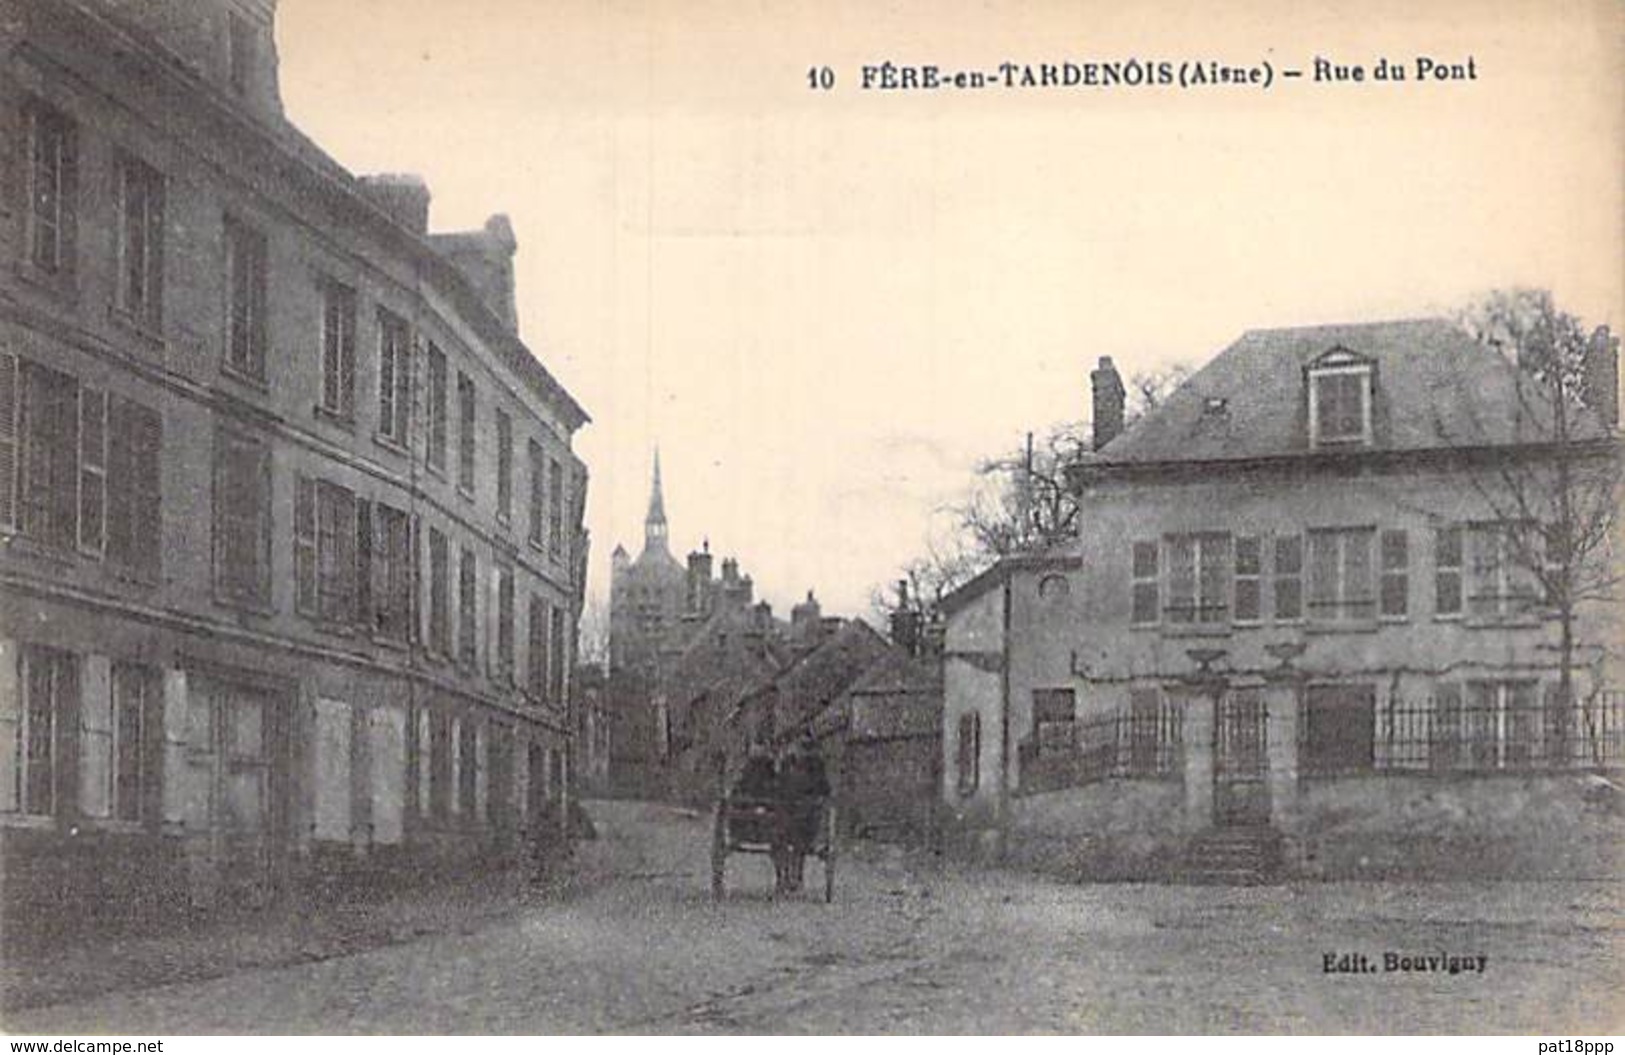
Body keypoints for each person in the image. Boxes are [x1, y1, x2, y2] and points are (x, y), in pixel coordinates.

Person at [774, 734, 830, 893]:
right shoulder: (787, 764)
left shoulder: (816, 765)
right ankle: (783, 877)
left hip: (806, 814)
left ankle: (795, 877)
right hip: (786, 809)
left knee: (799, 842)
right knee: (780, 838)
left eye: (803, 747)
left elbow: (823, 791)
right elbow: (778, 787)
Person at [728, 741, 778, 847]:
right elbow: (740, 783)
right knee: (737, 811)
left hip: (764, 800)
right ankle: (737, 834)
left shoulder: (769, 768)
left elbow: (774, 784)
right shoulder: (747, 768)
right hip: (749, 800)